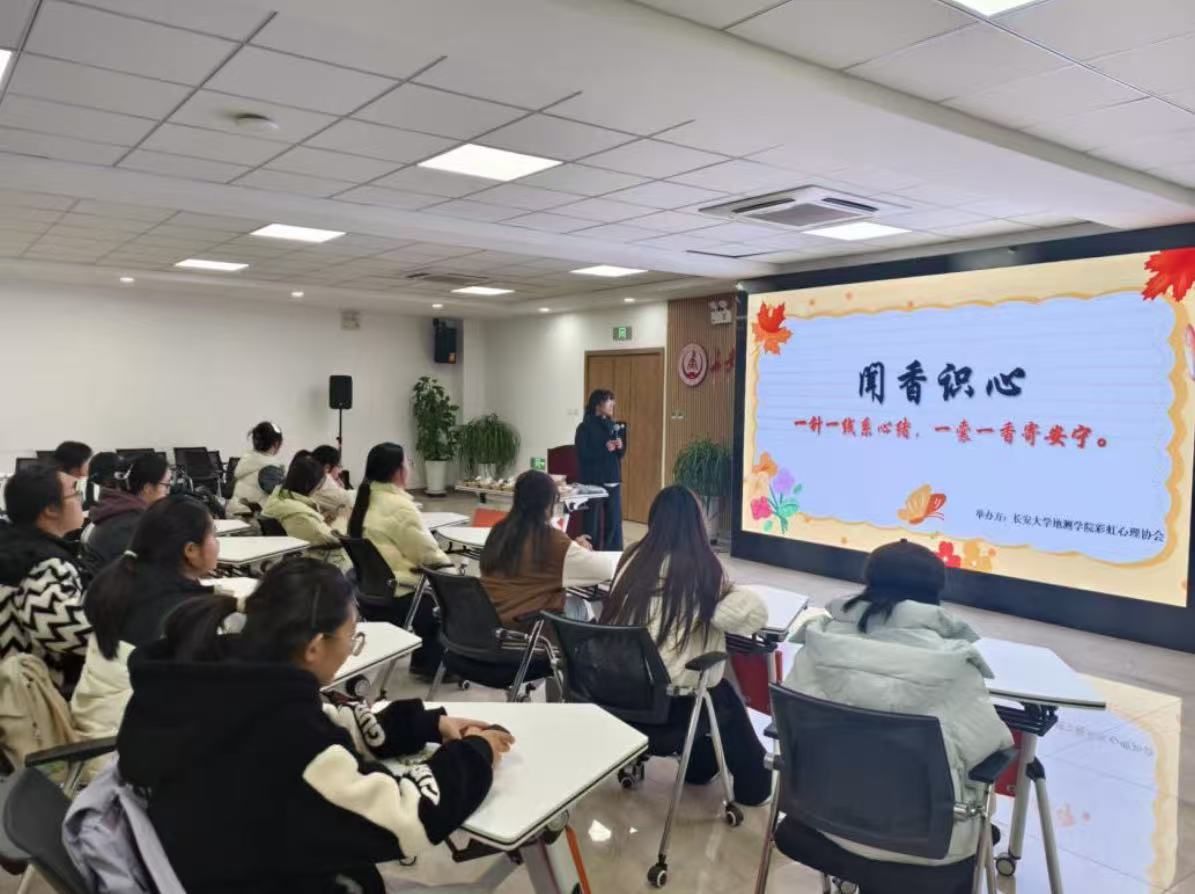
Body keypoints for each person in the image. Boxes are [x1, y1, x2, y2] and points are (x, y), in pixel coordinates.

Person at [117, 559, 513, 894]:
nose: (351, 649)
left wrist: (425, 724)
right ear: (314, 647)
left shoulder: (214, 679)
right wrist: (474, 753)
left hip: (203, 867)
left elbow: (325, 722)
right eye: (351, 636)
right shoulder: (290, 738)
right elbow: (405, 817)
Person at [783, 540, 1014, 867]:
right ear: (935, 591)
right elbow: (989, 747)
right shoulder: (951, 666)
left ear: (869, 582)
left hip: (820, 820)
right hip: (924, 845)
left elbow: (795, 727)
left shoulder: (818, 642)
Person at [600, 485, 770, 806]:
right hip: (667, 706)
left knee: (714, 692)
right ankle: (753, 787)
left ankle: (701, 766)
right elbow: (749, 614)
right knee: (720, 693)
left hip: (617, 694)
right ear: (697, 524)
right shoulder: (704, 569)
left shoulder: (631, 558)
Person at [71, 496, 218, 739]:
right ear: (190, 550)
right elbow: (204, 698)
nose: (217, 542)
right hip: (123, 748)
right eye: (213, 534)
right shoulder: (182, 612)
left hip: (94, 728)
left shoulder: (121, 578)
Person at [480, 470, 615, 628]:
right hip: (526, 624)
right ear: (549, 504)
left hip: (488, 618)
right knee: (581, 604)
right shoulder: (551, 540)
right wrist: (582, 551)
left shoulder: (499, 531)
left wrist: (571, 549)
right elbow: (605, 570)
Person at [0, 464, 90, 691]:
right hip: (30, 696)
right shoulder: (46, 564)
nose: (81, 501)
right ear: (51, 509)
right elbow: (64, 632)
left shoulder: (14, 547)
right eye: (75, 493)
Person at [348, 442, 449, 587]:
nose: (410, 468)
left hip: (371, 586)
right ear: (398, 471)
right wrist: (455, 574)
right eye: (408, 463)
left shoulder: (363, 499)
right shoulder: (401, 507)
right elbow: (429, 556)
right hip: (404, 588)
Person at [262, 455, 352, 573]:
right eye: (320, 485)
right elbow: (335, 539)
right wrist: (342, 518)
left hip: (298, 562)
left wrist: (323, 520)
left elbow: (312, 530)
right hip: (320, 565)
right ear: (311, 485)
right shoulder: (298, 513)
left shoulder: (279, 499)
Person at [85, 453, 172, 568]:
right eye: (166, 485)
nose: (168, 492)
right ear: (148, 488)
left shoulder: (118, 513)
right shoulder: (134, 525)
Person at [574, 389, 624, 550]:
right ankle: (590, 553)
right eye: (609, 400)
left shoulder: (613, 425)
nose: (613, 403)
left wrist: (620, 447)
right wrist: (604, 449)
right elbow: (583, 454)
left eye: (613, 400)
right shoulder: (584, 428)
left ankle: (614, 554)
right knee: (592, 523)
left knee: (614, 522)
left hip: (613, 479)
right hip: (593, 482)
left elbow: (619, 455)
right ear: (598, 405)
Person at [227, 421, 285, 517]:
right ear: (276, 444)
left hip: (234, 517)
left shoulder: (246, 461)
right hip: (253, 521)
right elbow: (284, 500)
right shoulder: (271, 469)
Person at [311, 444, 354, 522]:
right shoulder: (341, 496)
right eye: (339, 466)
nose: (340, 471)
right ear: (327, 467)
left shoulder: (305, 486)